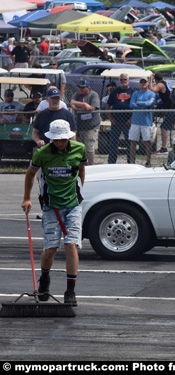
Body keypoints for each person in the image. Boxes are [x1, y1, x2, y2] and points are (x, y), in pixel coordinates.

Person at [22, 119, 86, 307]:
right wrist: (27, 198)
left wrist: (80, 189)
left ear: (69, 137)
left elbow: (81, 170)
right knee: (50, 249)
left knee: (71, 244)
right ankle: (45, 278)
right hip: (51, 206)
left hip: (73, 204)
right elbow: (30, 174)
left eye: (63, 140)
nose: (60, 143)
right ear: (51, 139)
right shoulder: (42, 153)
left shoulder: (79, 149)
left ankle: (70, 291)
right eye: (56, 140)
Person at [70, 79, 101, 166]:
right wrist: (84, 105)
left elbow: (92, 108)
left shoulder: (93, 95)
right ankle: (82, 165)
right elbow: (72, 103)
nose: (80, 89)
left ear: (88, 88)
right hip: (80, 126)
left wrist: (78, 107)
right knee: (80, 147)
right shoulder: (77, 94)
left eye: (82, 88)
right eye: (79, 87)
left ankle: (91, 166)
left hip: (91, 126)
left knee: (89, 148)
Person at [106, 73, 135, 164]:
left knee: (129, 143)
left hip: (128, 122)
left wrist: (131, 119)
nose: (123, 81)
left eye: (125, 79)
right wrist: (111, 118)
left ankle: (130, 162)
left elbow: (136, 107)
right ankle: (111, 162)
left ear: (128, 80)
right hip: (116, 121)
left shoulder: (133, 92)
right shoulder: (115, 92)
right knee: (113, 143)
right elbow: (108, 105)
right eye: (121, 80)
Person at [129, 77, 156, 167]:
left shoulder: (152, 94)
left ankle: (148, 161)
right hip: (135, 121)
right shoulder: (135, 93)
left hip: (146, 122)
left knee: (147, 142)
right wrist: (142, 106)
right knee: (133, 141)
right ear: (139, 84)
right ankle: (132, 161)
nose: (143, 83)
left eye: (145, 82)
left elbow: (150, 104)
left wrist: (139, 102)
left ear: (148, 83)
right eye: (141, 82)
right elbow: (131, 104)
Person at [149, 72, 175, 155]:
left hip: (171, 109)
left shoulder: (160, 84)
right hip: (168, 107)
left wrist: (150, 80)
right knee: (164, 127)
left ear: (156, 79)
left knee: (164, 127)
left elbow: (153, 90)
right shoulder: (164, 83)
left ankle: (164, 148)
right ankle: (162, 147)